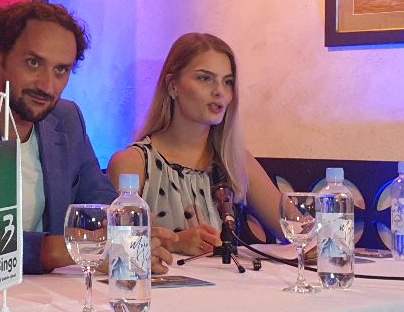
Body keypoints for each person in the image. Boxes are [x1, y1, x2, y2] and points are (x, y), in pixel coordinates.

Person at [0, 0, 175, 273]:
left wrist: (131, 236)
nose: (47, 86)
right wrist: (69, 249)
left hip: (53, 290)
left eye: (61, 70)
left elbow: (100, 201)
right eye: (33, 63)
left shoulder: (67, 119)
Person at [107, 32, 284, 256]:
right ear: (172, 86)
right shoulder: (134, 163)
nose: (219, 91)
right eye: (204, 78)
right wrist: (174, 243)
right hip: (163, 279)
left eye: (227, 82)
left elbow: (295, 228)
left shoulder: (234, 160)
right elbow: (115, 251)